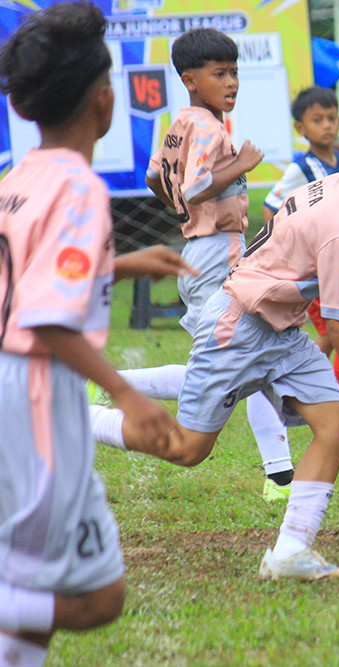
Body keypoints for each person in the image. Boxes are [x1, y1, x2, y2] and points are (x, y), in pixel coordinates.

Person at [91, 88, 339, 581]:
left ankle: (290, 552)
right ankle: (80, 418)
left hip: (280, 330)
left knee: (337, 426)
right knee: (188, 449)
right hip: (239, 328)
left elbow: (336, 228)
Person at [0, 3, 194, 665]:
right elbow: (45, 315)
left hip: (14, 384)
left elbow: (23, 276)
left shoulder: (20, 177)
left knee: (43, 590)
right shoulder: (80, 188)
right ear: (105, 100)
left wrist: (120, 264)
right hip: (38, 392)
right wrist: (127, 394)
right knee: (96, 596)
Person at [118, 27, 297, 501]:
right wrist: (242, 165)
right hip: (220, 251)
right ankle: (108, 390)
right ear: (190, 80)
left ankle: (281, 473)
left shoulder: (181, 122)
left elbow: (155, 176)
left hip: (199, 251)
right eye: (220, 74)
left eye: (234, 72)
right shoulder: (210, 128)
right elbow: (196, 187)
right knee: (242, 358)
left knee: (240, 360)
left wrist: (183, 210)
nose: (231, 82)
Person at [263, 85, 339, 419]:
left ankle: (319, 388)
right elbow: (271, 206)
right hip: (316, 265)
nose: (327, 125)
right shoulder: (302, 167)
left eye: (332, 118)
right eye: (317, 119)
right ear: (301, 127)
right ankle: (324, 390)